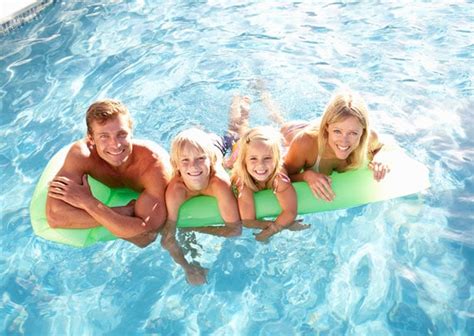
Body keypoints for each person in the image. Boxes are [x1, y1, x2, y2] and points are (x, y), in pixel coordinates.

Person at [46, 99, 171, 247]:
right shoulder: (82, 155)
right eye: (104, 136)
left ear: (131, 132)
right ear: (91, 139)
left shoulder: (154, 164)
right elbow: (54, 217)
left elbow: (145, 237)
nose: (115, 145)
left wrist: (89, 203)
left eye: (122, 134)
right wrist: (121, 212)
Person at [160, 127, 242, 285]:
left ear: (209, 160)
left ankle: (240, 107)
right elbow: (167, 239)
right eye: (185, 161)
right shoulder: (176, 189)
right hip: (204, 147)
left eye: (200, 159)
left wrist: (197, 228)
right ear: (176, 164)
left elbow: (235, 230)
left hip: (217, 145)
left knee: (237, 131)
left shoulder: (218, 183)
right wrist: (187, 267)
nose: (193, 167)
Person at [284, 89, 390, 202]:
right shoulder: (305, 143)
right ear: (327, 128)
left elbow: (381, 147)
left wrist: (380, 158)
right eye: (337, 131)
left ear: (363, 132)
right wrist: (306, 176)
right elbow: (284, 175)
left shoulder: (369, 138)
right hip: (290, 132)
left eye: (353, 133)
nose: (344, 141)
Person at [231, 126, 304, 241]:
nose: (261, 165)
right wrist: (283, 225)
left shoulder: (279, 178)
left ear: (276, 159)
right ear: (244, 161)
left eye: (267, 158)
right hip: (237, 153)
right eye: (253, 159)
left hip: (267, 150)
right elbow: (248, 221)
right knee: (237, 129)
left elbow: (290, 211)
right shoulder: (243, 182)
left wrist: (270, 231)